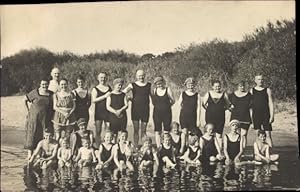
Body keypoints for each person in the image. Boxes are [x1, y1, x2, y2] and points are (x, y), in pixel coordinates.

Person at [24, 79, 54, 160]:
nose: (45, 86)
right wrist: (28, 111)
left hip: (45, 118)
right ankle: (30, 153)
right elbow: (25, 99)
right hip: (34, 117)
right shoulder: (35, 92)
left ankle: (39, 153)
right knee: (32, 133)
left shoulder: (51, 94)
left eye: (46, 84)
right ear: (40, 84)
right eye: (43, 84)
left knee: (42, 134)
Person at [123, 70, 152, 147]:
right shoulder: (132, 85)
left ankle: (144, 147)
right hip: (135, 110)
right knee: (136, 130)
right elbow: (123, 92)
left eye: (142, 75)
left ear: (144, 75)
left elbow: (153, 96)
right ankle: (136, 146)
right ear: (136, 76)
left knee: (144, 131)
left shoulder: (149, 85)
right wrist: (128, 99)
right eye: (139, 76)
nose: (141, 77)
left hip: (145, 110)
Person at [202, 80, 233, 149]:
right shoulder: (208, 93)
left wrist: (223, 109)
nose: (217, 88)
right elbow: (203, 104)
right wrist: (210, 109)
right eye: (216, 86)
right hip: (210, 117)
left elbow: (228, 105)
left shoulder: (224, 94)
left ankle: (219, 150)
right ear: (212, 87)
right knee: (209, 133)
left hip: (220, 117)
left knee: (219, 135)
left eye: (219, 86)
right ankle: (209, 149)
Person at [250, 75, 274, 147]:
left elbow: (270, 103)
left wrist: (272, 116)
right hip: (256, 115)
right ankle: (259, 152)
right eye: (258, 79)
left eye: (262, 79)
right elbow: (250, 106)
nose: (260, 81)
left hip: (266, 115)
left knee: (268, 135)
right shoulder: (252, 90)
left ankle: (270, 152)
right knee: (258, 135)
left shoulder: (267, 90)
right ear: (255, 80)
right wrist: (251, 120)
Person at [178, 77, 202, 153]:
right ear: (186, 85)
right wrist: (182, 112)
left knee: (192, 133)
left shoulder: (197, 95)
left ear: (194, 85)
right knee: (184, 132)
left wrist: (198, 120)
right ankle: (182, 148)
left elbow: (199, 108)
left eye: (192, 84)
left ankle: (190, 149)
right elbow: (179, 105)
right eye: (189, 84)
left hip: (193, 117)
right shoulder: (183, 94)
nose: (191, 86)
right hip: (184, 116)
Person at [151, 75, 175, 148]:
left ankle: (166, 146)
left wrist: (167, 106)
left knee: (166, 131)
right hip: (157, 113)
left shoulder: (168, 89)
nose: (159, 85)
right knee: (157, 131)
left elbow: (173, 100)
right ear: (155, 85)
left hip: (167, 114)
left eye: (160, 83)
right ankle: (159, 147)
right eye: (158, 84)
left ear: (163, 82)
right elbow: (153, 102)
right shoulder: (154, 90)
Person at [229, 81, 252, 149]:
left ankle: (243, 151)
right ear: (237, 86)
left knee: (244, 135)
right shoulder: (232, 95)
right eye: (240, 86)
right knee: (237, 135)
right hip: (235, 117)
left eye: (243, 86)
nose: (242, 87)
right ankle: (237, 151)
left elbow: (251, 108)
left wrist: (252, 119)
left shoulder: (249, 95)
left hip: (245, 118)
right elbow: (226, 104)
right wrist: (230, 107)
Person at [91, 72, 112, 147]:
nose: (103, 79)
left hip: (108, 112)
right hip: (99, 112)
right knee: (98, 131)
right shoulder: (95, 88)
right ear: (98, 78)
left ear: (107, 78)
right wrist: (105, 96)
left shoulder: (109, 87)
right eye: (101, 77)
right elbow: (94, 100)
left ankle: (107, 147)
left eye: (104, 77)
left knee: (108, 131)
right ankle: (97, 146)